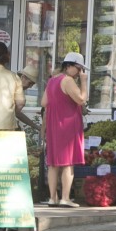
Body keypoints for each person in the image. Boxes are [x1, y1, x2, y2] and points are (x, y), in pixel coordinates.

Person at [42, 52, 89, 208]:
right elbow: (81, 99)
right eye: (79, 69)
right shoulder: (68, 80)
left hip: (53, 124)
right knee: (68, 162)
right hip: (67, 123)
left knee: (53, 163)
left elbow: (44, 102)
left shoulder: (52, 81)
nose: (80, 73)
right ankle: (65, 198)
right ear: (69, 66)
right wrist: (83, 82)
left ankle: (52, 198)